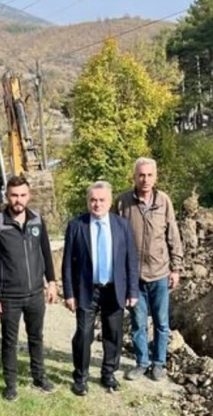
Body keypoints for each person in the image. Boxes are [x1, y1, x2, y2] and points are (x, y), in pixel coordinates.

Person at [0, 175, 58, 401]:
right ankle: (11, 385)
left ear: (29, 195)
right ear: (7, 196)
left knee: (36, 337)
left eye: (23, 195)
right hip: (8, 295)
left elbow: (46, 253)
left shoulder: (37, 221)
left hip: (35, 293)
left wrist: (51, 283)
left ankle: (39, 377)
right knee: (10, 341)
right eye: (14, 195)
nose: (18, 200)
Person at [62, 181, 139, 396]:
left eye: (102, 200)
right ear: (88, 202)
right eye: (93, 200)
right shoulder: (77, 225)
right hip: (87, 290)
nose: (97, 204)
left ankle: (108, 374)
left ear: (110, 201)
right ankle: (80, 378)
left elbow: (131, 260)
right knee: (83, 334)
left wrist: (132, 290)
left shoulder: (122, 225)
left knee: (113, 334)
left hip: (114, 290)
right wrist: (69, 293)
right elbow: (67, 263)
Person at [116, 158, 184, 382]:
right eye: (141, 175)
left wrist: (176, 268)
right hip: (134, 277)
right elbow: (116, 239)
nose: (145, 179)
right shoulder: (123, 202)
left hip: (160, 274)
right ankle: (141, 362)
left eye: (149, 175)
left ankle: (158, 364)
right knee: (138, 323)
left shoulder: (164, 201)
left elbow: (173, 236)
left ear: (155, 177)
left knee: (162, 323)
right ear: (134, 177)